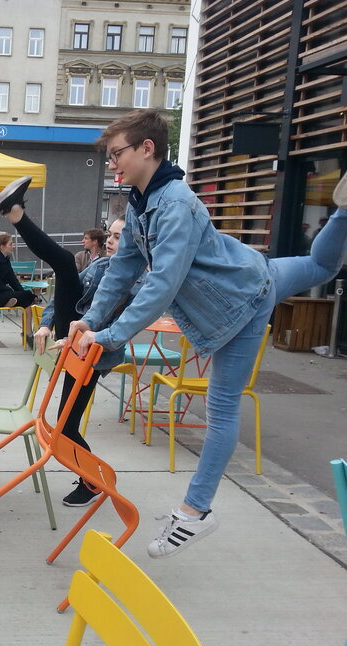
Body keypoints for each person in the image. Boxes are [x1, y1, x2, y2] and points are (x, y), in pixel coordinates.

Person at [69, 109, 347, 558]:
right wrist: (91, 319)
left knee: (220, 410)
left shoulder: (175, 203)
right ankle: (343, 212)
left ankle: (195, 512)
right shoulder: (141, 202)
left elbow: (162, 284)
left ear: (147, 148)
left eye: (117, 153)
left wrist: (111, 335)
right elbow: (122, 269)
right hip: (255, 271)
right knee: (320, 265)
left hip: (243, 304)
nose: (112, 162)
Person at [31, 217, 142, 507]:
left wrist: (82, 339)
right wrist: (46, 324)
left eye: (117, 237)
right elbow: (65, 295)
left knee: (66, 427)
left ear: (135, 243)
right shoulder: (101, 266)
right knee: (65, 425)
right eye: (110, 234)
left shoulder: (138, 284)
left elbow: (118, 329)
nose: (109, 241)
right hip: (73, 349)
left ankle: (92, 482)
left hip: (93, 357)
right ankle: (91, 479)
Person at [0, 231, 37, 318]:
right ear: (2, 247)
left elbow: (13, 281)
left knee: (26, 296)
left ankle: (27, 325)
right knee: (26, 297)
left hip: (2, 293)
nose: (13, 246)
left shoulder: (5, 261)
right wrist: (12, 292)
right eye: (10, 244)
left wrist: (21, 291)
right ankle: (10, 302)